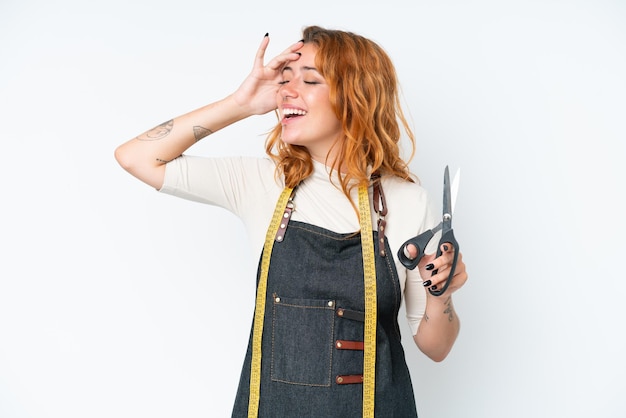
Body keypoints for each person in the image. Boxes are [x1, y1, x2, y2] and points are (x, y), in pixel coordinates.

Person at [115, 25, 468, 418]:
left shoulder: (407, 201)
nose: (286, 90)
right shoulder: (262, 185)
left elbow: (436, 346)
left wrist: (442, 295)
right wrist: (242, 103)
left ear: (357, 97)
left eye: (309, 79)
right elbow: (136, 157)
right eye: (284, 79)